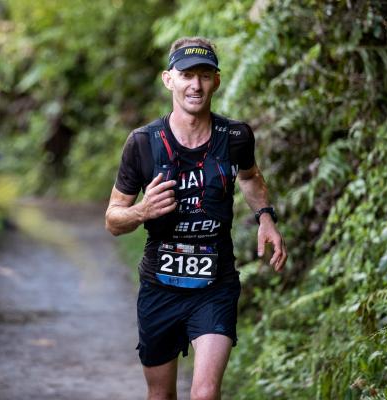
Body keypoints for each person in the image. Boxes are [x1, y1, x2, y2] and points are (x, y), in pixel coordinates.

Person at [105, 36, 287, 400]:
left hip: (215, 285)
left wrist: (265, 217)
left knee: (205, 394)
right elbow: (113, 219)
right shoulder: (143, 142)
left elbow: (249, 176)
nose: (196, 85)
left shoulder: (235, 136)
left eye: (205, 75)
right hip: (160, 286)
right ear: (168, 79)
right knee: (161, 395)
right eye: (187, 75)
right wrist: (142, 211)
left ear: (216, 81)